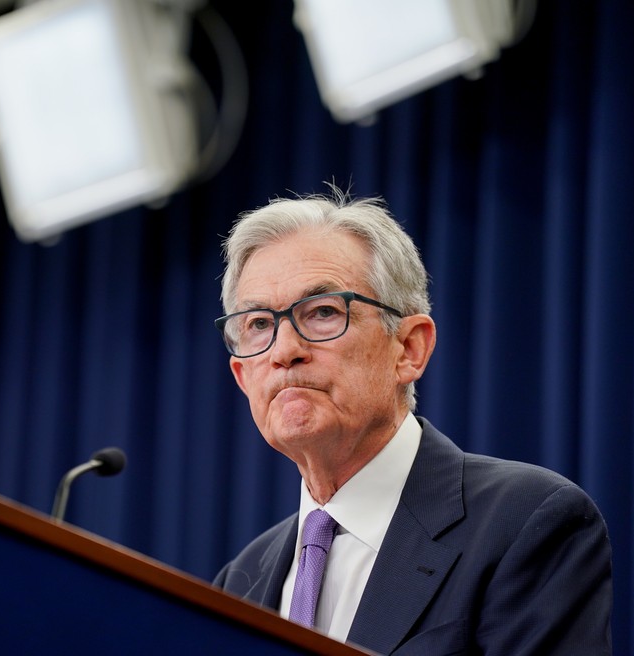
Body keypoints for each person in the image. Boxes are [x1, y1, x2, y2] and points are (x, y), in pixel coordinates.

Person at [211, 188, 612, 655]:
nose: (284, 351)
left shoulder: (526, 522)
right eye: (259, 324)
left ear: (409, 349)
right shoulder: (239, 581)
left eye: (322, 312)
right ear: (242, 375)